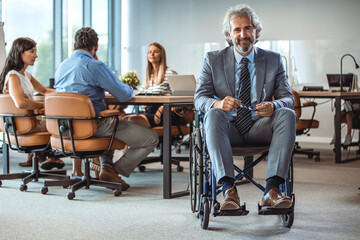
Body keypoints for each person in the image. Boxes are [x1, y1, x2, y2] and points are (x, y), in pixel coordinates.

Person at [194, 4, 296, 211]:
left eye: (248, 28)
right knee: (213, 114)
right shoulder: (213, 59)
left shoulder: (274, 60)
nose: (243, 34)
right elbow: (199, 98)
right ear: (229, 34)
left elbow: (287, 98)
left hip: (260, 127)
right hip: (227, 130)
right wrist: (218, 103)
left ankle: (272, 190)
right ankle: (229, 190)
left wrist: (274, 105)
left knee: (287, 113)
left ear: (256, 31)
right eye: (237, 30)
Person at [54, 27, 159, 191]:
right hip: (93, 126)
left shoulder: (61, 67)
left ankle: (107, 168)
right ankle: (113, 170)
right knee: (151, 138)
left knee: (111, 123)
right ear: (95, 47)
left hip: (65, 128)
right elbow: (124, 95)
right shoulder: (94, 66)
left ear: (75, 45)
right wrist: (130, 88)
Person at [0, 37, 65, 170]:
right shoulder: (13, 76)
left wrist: (64, 95)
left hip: (29, 122)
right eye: (32, 51)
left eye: (35, 51)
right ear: (20, 53)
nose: (35, 55)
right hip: (23, 124)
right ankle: (56, 158)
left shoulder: (26, 75)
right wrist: (45, 105)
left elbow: (45, 90)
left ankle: (49, 156)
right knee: (65, 123)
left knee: (62, 122)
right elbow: (20, 103)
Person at [123, 42, 182, 128]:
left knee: (131, 120)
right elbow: (140, 93)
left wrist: (162, 108)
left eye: (155, 52)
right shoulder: (149, 76)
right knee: (124, 119)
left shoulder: (170, 73)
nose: (152, 54)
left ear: (162, 55)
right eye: (149, 52)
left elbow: (180, 98)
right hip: (150, 111)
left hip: (166, 114)